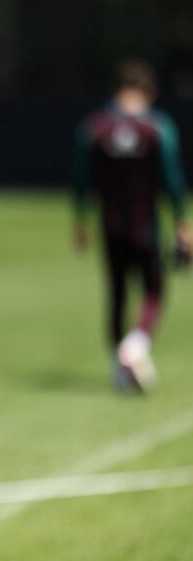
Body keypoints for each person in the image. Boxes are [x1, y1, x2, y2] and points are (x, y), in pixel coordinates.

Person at [73, 58, 190, 391]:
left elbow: (82, 179)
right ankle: (136, 345)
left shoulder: (94, 128)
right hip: (146, 227)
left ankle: (119, 370)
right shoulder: (157, 128)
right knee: (154, 289)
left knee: (117, 293)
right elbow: (172, 180)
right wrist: (182, 221)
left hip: (110, 226)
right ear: (147, 90)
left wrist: (80, 219)